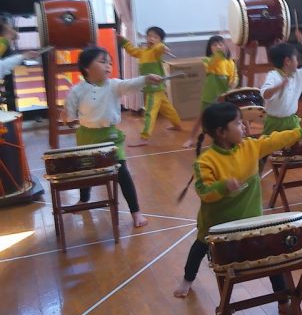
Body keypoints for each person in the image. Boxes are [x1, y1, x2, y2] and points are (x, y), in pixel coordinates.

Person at [173, 101, 302, 309]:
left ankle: (283, 302)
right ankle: (188, 279)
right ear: (221, 132)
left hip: (252, 223)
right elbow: (205, 192)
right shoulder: (205, 161)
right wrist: (223, 186)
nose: (244, 126)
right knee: (199, 248)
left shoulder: (251, 147)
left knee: (273, 258)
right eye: (237, 123)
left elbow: (276, 139)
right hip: (217, 227)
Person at [65, 47, 163, 228]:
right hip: (86, 136)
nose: (108, 66)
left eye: (110, 63)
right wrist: (69, 119)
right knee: (85, 170)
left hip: (110, 136)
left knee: (122, 172)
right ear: (86, 67)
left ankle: (136, 212)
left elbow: (130, 84)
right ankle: (84, 199)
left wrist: (146, 78)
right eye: (102, 62)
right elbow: (70, 116)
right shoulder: (76, 91)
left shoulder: (114, 85)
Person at [119, 27, 182, 146]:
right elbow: (133, 51)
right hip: (156, 87)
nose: (151, 38)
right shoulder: (143, 51)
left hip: (154, 88)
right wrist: (124, 42)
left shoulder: (155, 51)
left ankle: (144, 137)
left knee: (149, 112)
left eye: (155, 37)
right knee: (167, 109)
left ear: (160, 40)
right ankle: (177, 125)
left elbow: (159, 48)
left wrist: (163, 47)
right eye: (149, 36)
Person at [183, 36, 237, 148]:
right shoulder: (207, 60)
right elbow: (213, 65)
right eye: (214, 45)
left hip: (225, 95)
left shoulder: (230, 62)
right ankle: (191, 138)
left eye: (221, 44)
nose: (218, 47)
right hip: (210, 95)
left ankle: (238, 137)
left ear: (226, 46)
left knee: (233, 116)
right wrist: (219, 54)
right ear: (210, 48)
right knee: (201, 118)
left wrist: (233, 83)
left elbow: (234, 76)